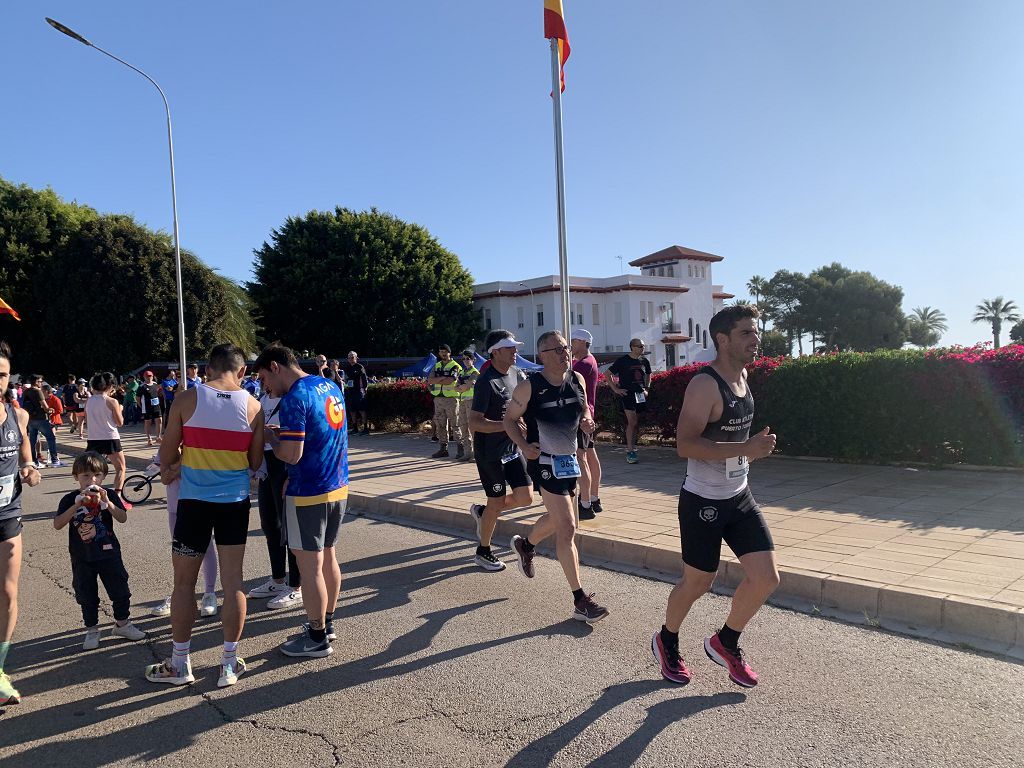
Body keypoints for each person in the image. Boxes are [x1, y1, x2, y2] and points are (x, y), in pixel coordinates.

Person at [652, 305, 778, 688]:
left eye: (755, 332)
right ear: (722, 340)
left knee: (766, 578)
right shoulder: (705, 384)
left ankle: (726, 641)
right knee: (698, 581)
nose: (755, 340)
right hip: (703, 500)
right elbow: (685, 444)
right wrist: (747, 449)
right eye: (745, 333)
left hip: (738, 497)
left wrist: (749, 450)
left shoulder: (742, 377)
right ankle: (667, 639)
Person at [147, 344, 263, 688]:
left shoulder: (187, 399)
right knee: (233, 582)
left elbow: (166, 454)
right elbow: (254, 463)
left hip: (194, 503)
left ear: (209, 369)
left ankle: (180, 662)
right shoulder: (253, 406)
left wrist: (184, 456)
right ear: (241, 372)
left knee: (184, 584)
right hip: (234, 503)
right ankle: (229, 663)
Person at [504, 330, 608, 624]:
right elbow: (509, 420)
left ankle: (526, 544)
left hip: (569, 462)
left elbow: (585, 411)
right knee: (567, 527)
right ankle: (580, 600)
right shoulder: (529, 387)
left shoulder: (578, 379)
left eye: (565, 348)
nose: (565, 353)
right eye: (557, 350)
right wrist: (524, 446)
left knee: (557, 519)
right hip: (544, 462)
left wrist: (588, 421)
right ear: (542, 356)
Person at [254, 343, 348, 659]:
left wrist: (271, 439)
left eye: (264, 378)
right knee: (329, 557)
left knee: (309, 567)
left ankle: (317, 636)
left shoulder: (294, 398)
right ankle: (327, 623)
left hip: (308, 489)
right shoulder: (328, 385)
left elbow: (291, 455)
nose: (265, 387)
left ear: (275, 367)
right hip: (337, 485)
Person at [53, 452, 147, 649]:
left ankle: (122, 623)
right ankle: (92, 629)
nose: (91, 480)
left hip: (109, 552)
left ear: (103, 476)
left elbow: (122, 518)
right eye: (85, 475)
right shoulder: (70, 498)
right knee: (86, 593)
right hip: (82, 556)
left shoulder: (109, 494)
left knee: (120, 588)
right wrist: (76, 505)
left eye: (96, 475)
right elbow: (58, 524)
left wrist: (108, 502)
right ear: (76, 477)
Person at [467, 331, 533, 571]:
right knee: (496, 501)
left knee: (525, 497)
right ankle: (483, 551)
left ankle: (485, 513)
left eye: (515, 347)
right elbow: (474, 422)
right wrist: (506, 425)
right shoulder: (486, 381)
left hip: (512, 449)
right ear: (495, 352)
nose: (515, 351)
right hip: (490, 453)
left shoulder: (518, 374)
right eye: (510, 348)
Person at [0, 340, 42, 705]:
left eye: (1, 374)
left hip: (8, 514)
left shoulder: (18, 414)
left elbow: (25, 452)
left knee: (8, 592)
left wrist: (29, 469)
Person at [247, 381, 302, 610]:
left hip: (283, 464)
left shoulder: (289, 399)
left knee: (289, 527)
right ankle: (278, 580)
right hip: (266, 466)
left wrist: (273, 435)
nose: (262, 380)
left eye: (264, 375)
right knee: (270, 524)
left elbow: (295, 438)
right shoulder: (262, 399)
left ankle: (295, 586)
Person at [570, 329, 602, 520]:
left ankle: (585, 504)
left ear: (582, 342)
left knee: (582, 458)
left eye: (573, 341)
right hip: (586, 415)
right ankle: (594, 498)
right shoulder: (588, 361)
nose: (570, 346)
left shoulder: (584, 364)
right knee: (590, 455)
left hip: (581, 416)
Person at [85, 373, 129, 504]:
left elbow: (87, 420)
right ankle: (117, 497)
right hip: (110, 437)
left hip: (93, 438)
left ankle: (91, 494)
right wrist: (120, 409)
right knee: (120, 468)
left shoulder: (89, 400)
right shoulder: (112, 401)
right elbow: (120, 422)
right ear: (109, 386)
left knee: (92, 470)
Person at [607, 338, 652, 464]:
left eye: (643, 346)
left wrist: (647, 388)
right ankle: (630, 451)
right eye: (640, 346)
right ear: (632, 347)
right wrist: (616, 389)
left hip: (640, 395)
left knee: (635, 423)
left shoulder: (644, 361)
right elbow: (607, 373)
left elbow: (649, 374)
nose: (642, 348)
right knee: (632, 422)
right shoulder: (623, 360)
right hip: (627, 395)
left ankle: (632, 446)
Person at [427, 345, 463, 459]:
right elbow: (430, 380)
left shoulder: (456, 366)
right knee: (440, 425)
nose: (443, 354)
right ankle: (443, 449)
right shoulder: (436, 365)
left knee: (455, 424)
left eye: (445, 352)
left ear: (449, 353)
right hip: (438, 399)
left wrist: (438, 379)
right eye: (441, 351)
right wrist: (442, 378)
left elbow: (451, 380)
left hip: (451, 399)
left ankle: (461, 449)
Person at [22, 375, 60, 469]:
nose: (41, 383)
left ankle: (34, 461)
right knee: (51, 438)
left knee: (32, 440)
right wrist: (50, 410)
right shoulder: (38, 391)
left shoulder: (26, 391)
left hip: (30, 419)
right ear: (35, 382)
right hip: (41, 418)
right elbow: (45, 407)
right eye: (39, 381)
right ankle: (55, 460)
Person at [453, 351, 479, 462]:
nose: (465, 361)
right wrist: (462, 386)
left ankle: (476, 454)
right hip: (462, 401)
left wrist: (462, 386)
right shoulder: (462, 372)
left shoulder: (475, 372)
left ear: (473, 360)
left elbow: (467, 386)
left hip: (471, 401)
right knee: (463, 426)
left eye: (468, 358)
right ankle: (467, 453)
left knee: (472, 428)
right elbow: (456, 387)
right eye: (463, 359)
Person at [341, 352, 370, 435]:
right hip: (350, 392)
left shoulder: (360, 367)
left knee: (362, 410)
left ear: (356, 358)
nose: (351, 359)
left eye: (352, 357)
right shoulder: (347, 368)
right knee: (352, 411)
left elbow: (364, 379)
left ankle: (365, 429)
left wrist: (365, 389)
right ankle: (355, 428)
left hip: (359, 392)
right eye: (349, 357)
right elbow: (345, 379)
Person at [137, 371, 163, 446]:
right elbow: (137, 398)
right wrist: (141, 406)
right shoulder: (142, 386)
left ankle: (158, 437)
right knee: (148, 422)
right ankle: (149, 439)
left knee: (159, 420)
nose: (149, 377)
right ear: (144, 377)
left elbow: (157, 393)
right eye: (147, 376)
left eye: (150, 376)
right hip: (147, 407)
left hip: (156, 405)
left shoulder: (155, 384)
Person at [42, 384, 66, 466]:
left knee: (52, 438)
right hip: (45, 421)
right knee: (49, 439)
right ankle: (53, 458)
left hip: (54, 421)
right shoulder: (43, 399)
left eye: (42, 391)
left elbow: (60, 410)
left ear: (46, 391)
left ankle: (55, 458)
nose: (41, 392)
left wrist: (51, 411)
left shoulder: (55, 399)